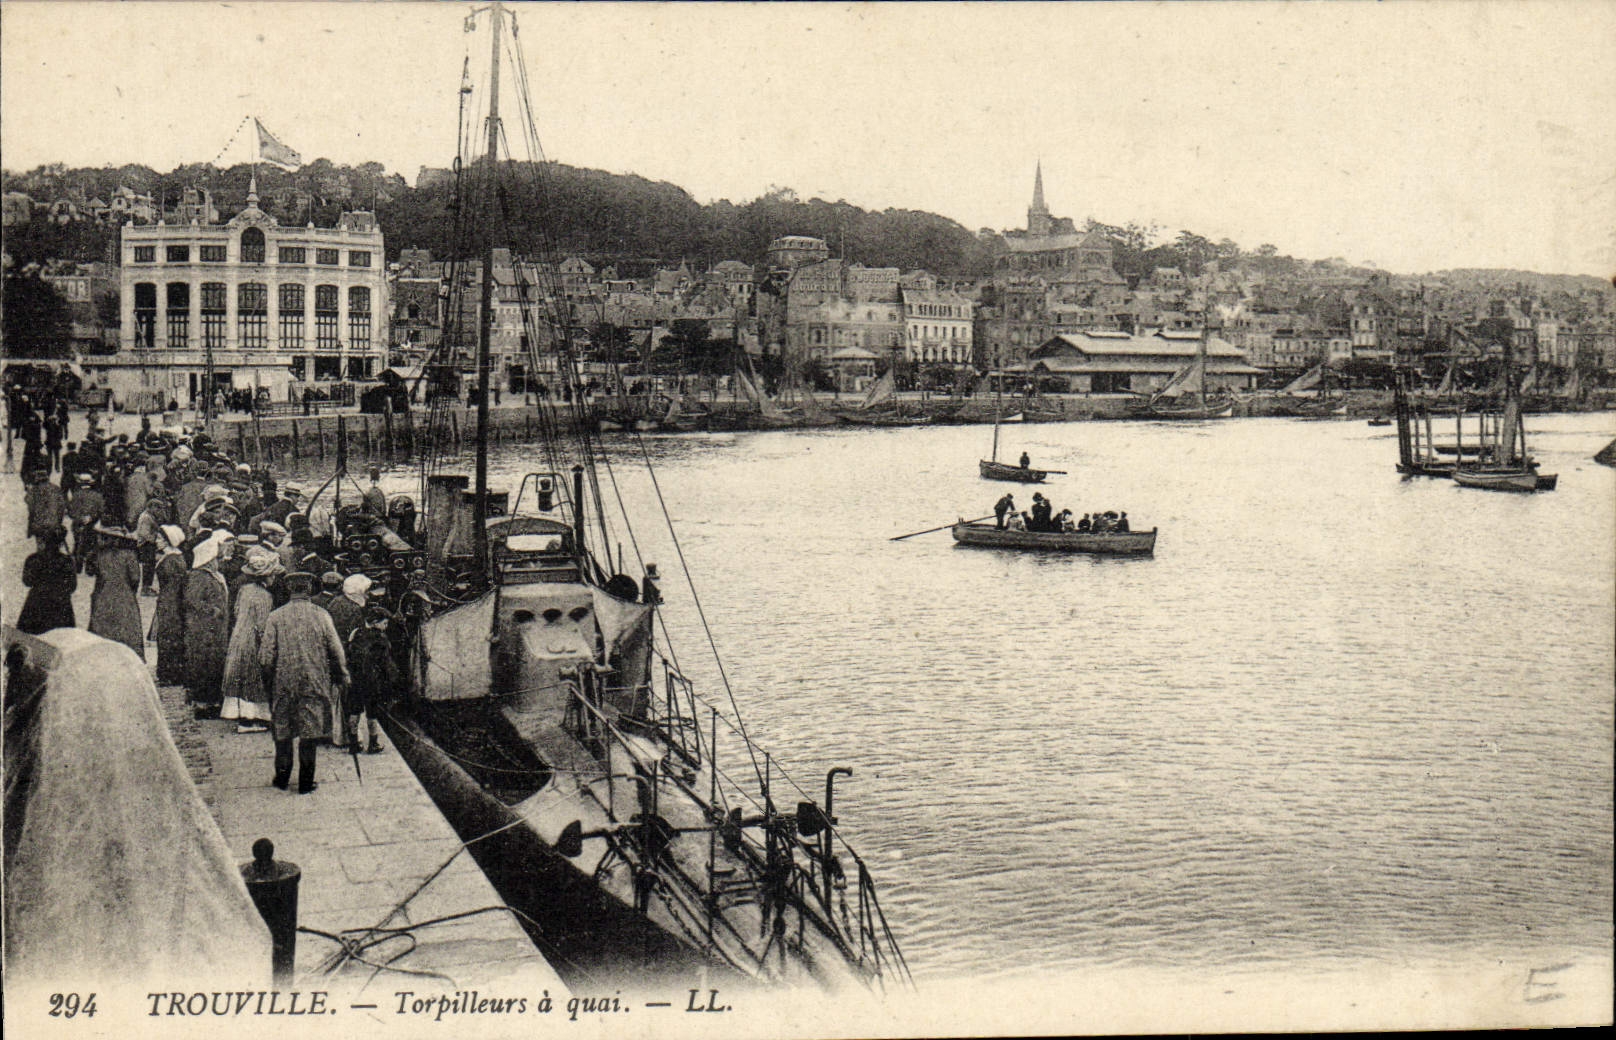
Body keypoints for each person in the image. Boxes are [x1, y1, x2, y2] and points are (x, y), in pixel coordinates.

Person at [259, 572, 351, 794]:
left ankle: (282, 778)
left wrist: (269, 681)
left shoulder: (275, 617)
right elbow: (336, 651)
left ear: (290, 590)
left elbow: (265, 657)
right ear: (309, 589)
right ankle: (305, 783)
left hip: (284, 682)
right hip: (314, 681)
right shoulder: (322, 615)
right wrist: (342, 675)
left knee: (283, 729)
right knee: (310, 731)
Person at [221, 547, 280, 733]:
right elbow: (263, 625)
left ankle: (244, 716)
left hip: (239, 636)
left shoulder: (245, 590)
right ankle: (251, 719)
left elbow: (237, 611)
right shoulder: (265, 596)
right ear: (265, 577)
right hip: (252, 640)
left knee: (240, 676)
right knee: (253, 677)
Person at [184, 531, 233, 719]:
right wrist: (212, 610)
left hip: (215, 630)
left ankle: (212, 701)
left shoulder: (214, 575)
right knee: (204, 665)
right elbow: (192, 600)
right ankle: (203, 704)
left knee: (213, 664)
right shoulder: (199, 576)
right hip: (204, 630)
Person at [344, 606, 397, 755]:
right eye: (384, 623)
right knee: (372, 713)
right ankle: (373, 743)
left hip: (355, 680)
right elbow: (386, 663)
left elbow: (348, 654)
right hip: (372, 681)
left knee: (354, 711)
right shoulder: (381, 638)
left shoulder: (355, 633)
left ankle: (353, 743)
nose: (386, 627)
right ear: (375, 622)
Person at [149, 524, 190, 684]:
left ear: (168, 541)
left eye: (160, 538)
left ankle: (169, 674)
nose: (157, 541)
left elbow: (173, 586)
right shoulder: (173, 557)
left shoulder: (172, 559)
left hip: (170, 603)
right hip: (168, 601)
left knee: (168, 635)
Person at [15, 528, 76, 635]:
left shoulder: (33, 559)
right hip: (61, 606)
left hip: (36, 604)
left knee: (32, 638)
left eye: (39, 541)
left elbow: (27, 581)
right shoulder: (67, 561)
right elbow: (72, 586)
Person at [68, 473, 104, 574]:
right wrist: (91, 517)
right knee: (91, 544)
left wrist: (79, 518)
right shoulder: (97, 496)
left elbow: (71, 511)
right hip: (92, 524)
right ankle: (90, 566)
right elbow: (101, 510)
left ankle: (78, 565)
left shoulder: (75, 495)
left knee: (77, 541)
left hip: (78, 524)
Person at [25, 467, 67, 543]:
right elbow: (62, 507)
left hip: (39, 525)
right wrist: (59, 522)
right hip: (53, 524)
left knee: (41, 546)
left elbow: (30, 506)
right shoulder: (56, 489)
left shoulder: (34, 490)